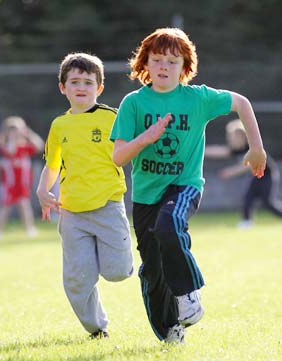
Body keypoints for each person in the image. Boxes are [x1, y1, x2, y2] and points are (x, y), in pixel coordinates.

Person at [110, 27, 267, 344]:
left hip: (185, 186)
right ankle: (171, 330)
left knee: (168, 226)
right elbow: (118, 157)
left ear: (184, 66)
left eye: (172, 60)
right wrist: (147, 137)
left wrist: (257, 148)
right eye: (157, 60)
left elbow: (242, 103)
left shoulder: (197, 98)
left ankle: (188, 293)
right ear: (146, 64)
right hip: (145, 195)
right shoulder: (133, 103)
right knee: (153, 273)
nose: (164, 66)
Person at [36, 52, 134, 339]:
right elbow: (52, 165)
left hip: (107, 206)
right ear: (62, 87)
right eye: (74, 81)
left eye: (88, 82)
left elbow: (129, 150)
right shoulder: (59, 125)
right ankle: (97, 328)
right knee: (78, 280)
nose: (81, 87)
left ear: (99, 88)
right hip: (71, 211)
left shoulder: (112, 118)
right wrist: (43, 189)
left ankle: (128, 259)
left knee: (117, 272)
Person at [205, 119, 282, 229]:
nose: (232, 141)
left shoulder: (251, 147)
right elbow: (220, 150)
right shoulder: (237, 149)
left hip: (267, 176)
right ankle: (246, 222)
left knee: (268, 203)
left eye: (234, 138)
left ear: (243, 137)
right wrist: (202, 149)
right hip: (256, 177)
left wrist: (231, 172)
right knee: (248, 198)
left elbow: (248, 165)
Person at [0, 116, 44, 238]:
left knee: (24, 205)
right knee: (4, 206)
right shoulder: (4, 146)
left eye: (16, 129)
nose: (14, 132)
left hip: (22, 183)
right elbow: (10, 151)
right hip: (9, 183)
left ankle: (29, 229)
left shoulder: (24, 147)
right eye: (11, 129)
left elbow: (40, 145)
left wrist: (27, 132)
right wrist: (11, 138)